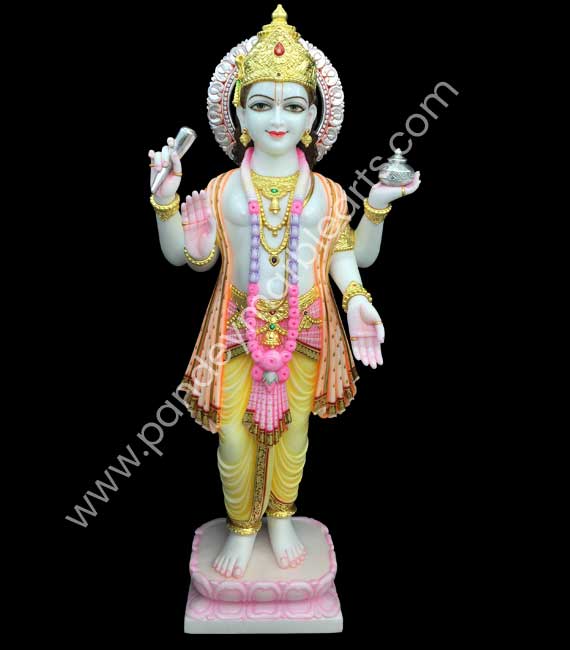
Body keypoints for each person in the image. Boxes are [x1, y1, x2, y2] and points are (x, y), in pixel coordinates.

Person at [148, 5, 420, 579]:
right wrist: (165, 202)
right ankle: (241, 525)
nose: (277, 119)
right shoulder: (224, 188)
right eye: (262, 105)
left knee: (294, 431)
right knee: (231, 436)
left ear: (313, 117)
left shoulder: (326, 192)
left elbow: (348, 256)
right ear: (240, 114)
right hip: (235, 327)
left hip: (307, 325)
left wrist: (360, 290)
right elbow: (187, 257)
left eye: (293, 106)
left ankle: (280, 517)